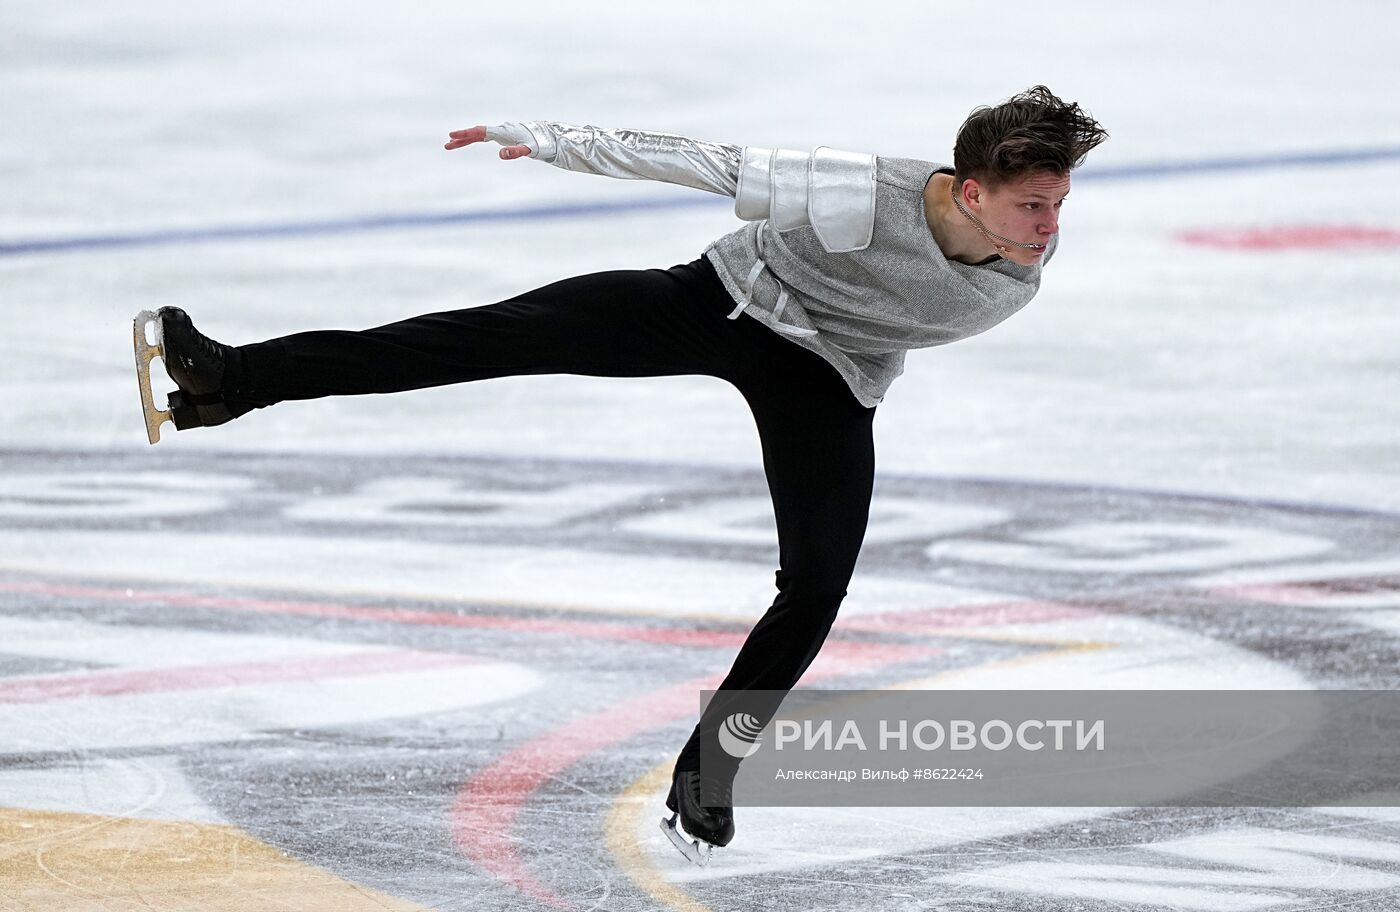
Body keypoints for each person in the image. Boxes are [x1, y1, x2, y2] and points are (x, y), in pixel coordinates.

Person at [131, 85, 1107, 864]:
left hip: (827, 377)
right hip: (718, 302)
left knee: (815, 588)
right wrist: (556, 140)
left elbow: (876, 327)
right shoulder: (862, 189)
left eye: (1057, 203)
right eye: (1031, 204)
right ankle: (231, 380)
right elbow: (704, 163)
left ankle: (705, 779)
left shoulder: (1009, 280)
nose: (1046, 226)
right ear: (968, 189)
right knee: (487, 338)